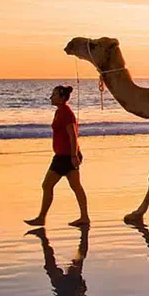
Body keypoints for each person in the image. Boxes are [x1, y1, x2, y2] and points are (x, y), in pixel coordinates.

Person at [25, 85, 90, 227]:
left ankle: (42, 218)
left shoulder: (66, 113)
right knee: (76, 186)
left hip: (65, 157)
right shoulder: (59, 112)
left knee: (47, 185)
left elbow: (73, 136)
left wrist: (74, 156)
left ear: (61, 98)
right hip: (65, 155)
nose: (51, 97)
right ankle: (84, 217)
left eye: (54, 95)